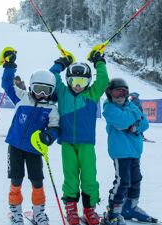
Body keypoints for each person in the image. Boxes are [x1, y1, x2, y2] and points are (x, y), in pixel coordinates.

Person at [49, 44, 109, 225]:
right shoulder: (62, 93)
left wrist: (99, 61)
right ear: (68, 80)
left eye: (82, 82)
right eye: (74, 81)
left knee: (90, 176)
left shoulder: (92, 94)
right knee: (71, 176)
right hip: (67, 142)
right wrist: (62, 62)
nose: (77, 85)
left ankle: (90, 209)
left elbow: (103, 80)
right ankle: (71, 208)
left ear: (88, 83)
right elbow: (52, 77)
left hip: (86, 143)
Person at [0, 47, 60, 225]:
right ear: (31, 86)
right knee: (16, 180)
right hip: (16, 146)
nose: (42, 94)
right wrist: (10, 66)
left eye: (46, 91)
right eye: (38, 89)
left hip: (35, 148)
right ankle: (15, 212)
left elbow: (55, 127)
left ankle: (39, 212)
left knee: (37, 181)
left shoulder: (51, 108)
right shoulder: (22, 97)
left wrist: (48, 136)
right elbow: (6, 85)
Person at [102, 78, 157, 225]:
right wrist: (135, 118)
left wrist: (135, 126)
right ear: (109, 93)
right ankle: (113, 213)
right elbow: (122, 121)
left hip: (135, 151)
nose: (120, 96)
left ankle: (130, 207)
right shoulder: (109, 107)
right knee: (122, 181)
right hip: (120, 151)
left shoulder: (130, 105)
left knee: (136, 179)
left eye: (124, 92)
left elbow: (145, 123)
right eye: (116, 92)